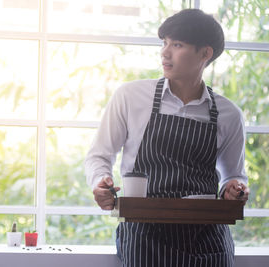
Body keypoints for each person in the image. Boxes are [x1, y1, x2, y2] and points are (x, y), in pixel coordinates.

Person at [85, 9, 250, 267]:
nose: (165, 52)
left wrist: (235, 189)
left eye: (177, 44)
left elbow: (234, 175)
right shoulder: (130, 96)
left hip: (208, 241)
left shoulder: (229, 115)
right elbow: (99, 155)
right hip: (145, 238)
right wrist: (100, 183)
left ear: (205, 53)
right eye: (164, 43)